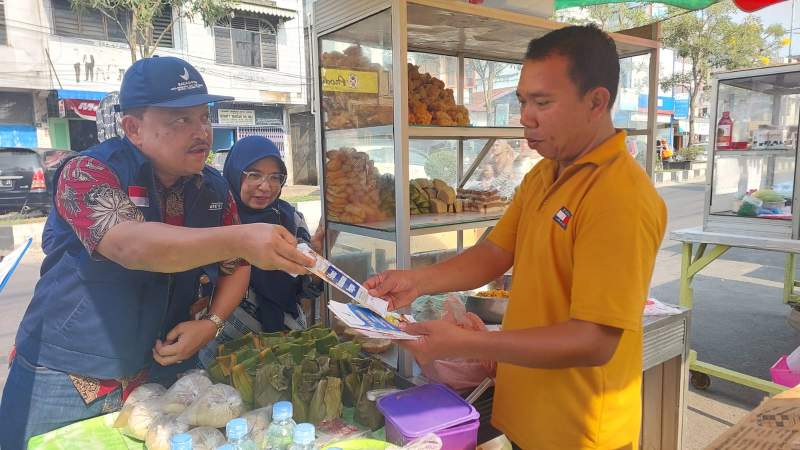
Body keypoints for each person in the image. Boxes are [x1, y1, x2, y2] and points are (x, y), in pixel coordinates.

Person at [365, 25, 666, 449]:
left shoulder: (620, 197)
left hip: (579, 431)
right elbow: (493, 252)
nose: (525, 116)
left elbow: (593, 340)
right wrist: (416, 281)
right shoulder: (545, 174)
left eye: (542, 102)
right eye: (524, 100)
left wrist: (469, 343)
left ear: (597, 101)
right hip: (529, 414)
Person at [0, 56, 313, 449]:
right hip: (66, 376)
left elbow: (237, 266)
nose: (201, 132)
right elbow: (132, 244)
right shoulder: (87, 174)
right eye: (180, 120)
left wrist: (211, 324)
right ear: (133, 128)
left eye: (204, 117)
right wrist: (239, 238)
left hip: (162, 372)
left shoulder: (214, 190)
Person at [198, 136, 325, 366]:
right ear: (235, 174)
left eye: (275, 177)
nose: (265, 186)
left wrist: (315, 271)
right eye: (254, 175)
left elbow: (306, 293)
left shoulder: (290, 219)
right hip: (226, 343)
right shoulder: (216, 220)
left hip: (287, 341)